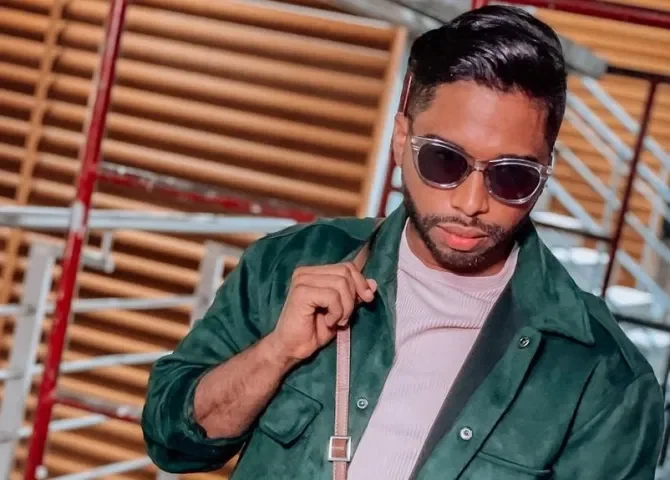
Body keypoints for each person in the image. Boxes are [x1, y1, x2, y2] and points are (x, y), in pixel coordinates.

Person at [141, 6, 664, 479]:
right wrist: (276, 353)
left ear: (546, 171)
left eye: (512, 175)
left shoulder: (607, 380)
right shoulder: (289, 263)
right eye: (444, 160)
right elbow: (172, 441)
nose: (471, 203)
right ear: (400, 139)